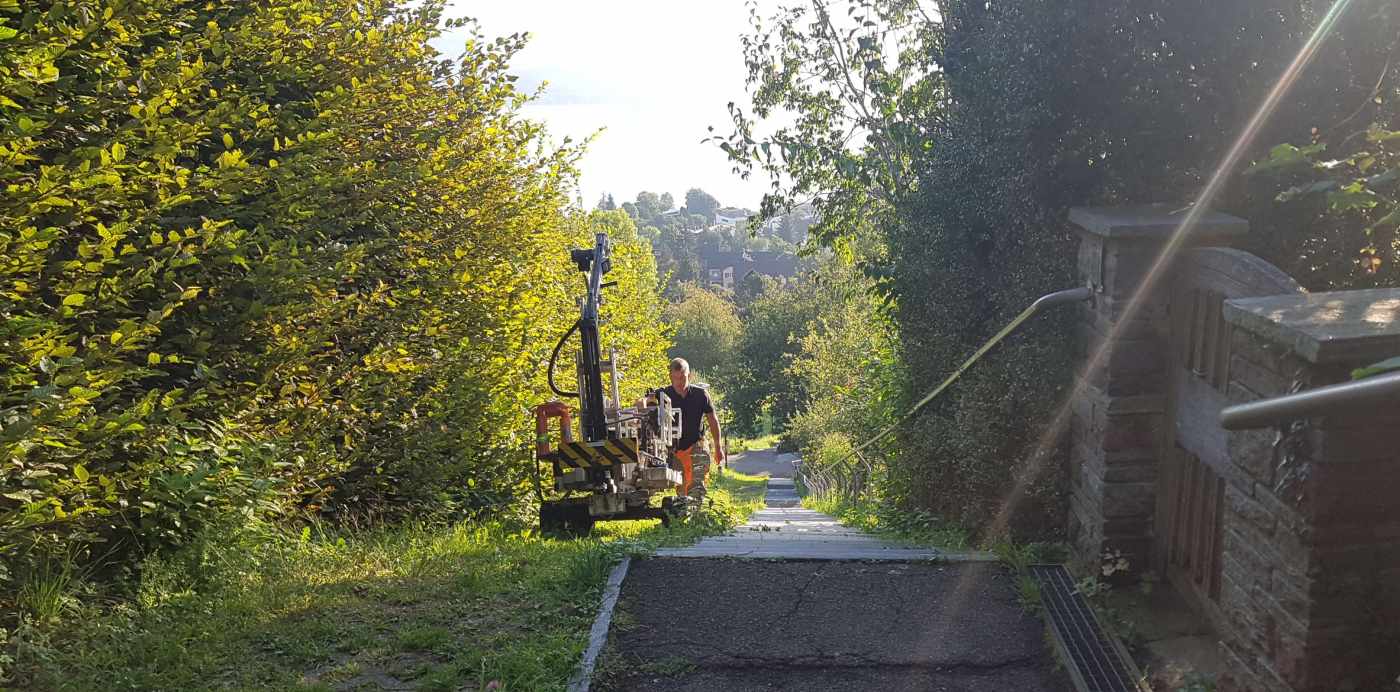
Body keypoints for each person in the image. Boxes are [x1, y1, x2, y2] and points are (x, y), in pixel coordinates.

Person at [658, 357, 725, 499]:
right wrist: (643, 402)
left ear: (689, 375)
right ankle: (683, 515)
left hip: (697, 445)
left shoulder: (701, 395)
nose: (679, 382)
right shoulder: (663, 395)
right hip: (675, 450)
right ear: (670, 377)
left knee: (697, 484)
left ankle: (696, 515)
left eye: (682, 378)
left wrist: (718, 447)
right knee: (682, 489)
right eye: (675, 378)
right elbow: (644, 402)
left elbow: (712, 420)